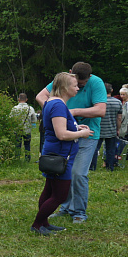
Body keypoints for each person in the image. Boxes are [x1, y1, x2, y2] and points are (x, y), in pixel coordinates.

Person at [36, 62, 106, 224]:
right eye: (77, 85)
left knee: (78, 174)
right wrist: (57, 114)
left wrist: (70, 113)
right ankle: (65, 208)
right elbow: (40, 96)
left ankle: (79, 212)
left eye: (82, 85)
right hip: (68, 135)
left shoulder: (96, 83)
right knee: (63, 173)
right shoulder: (64, 82)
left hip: (88, 134)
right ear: (70, 75)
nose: (79, 88)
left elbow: (101, 110)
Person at [32, 72, 93, 235]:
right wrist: (82, 134)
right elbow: (61, 134)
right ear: (65, 88)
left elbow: (58, 127)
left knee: (49, 190)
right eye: (75, 86)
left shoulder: (52, 102)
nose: (78, 88)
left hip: (55, 154)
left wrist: (76, 128)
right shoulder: (58, 105)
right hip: (60, 157)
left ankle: (44, 223)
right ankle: (38, 224)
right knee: (59, 195)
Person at [89, 83, 121, 171]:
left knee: (94, 149)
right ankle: (110, 167)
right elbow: (119, 118)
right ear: (112, 91)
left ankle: (92, 167)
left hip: (98, 129)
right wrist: (118, 129)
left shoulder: (97, 102)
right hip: (111, 129)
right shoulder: (117, 102)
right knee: (110, 150)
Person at [10, 93, 37, 161]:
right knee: (27, 145)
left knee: (17, 145)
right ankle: (27, 158)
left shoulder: (14, 108)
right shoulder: (30, 109)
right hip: (27, 130)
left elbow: (10, 118)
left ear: (18, 99)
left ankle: (17, 158)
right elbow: (34, 120)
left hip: (17, 130)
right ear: (26, 99)